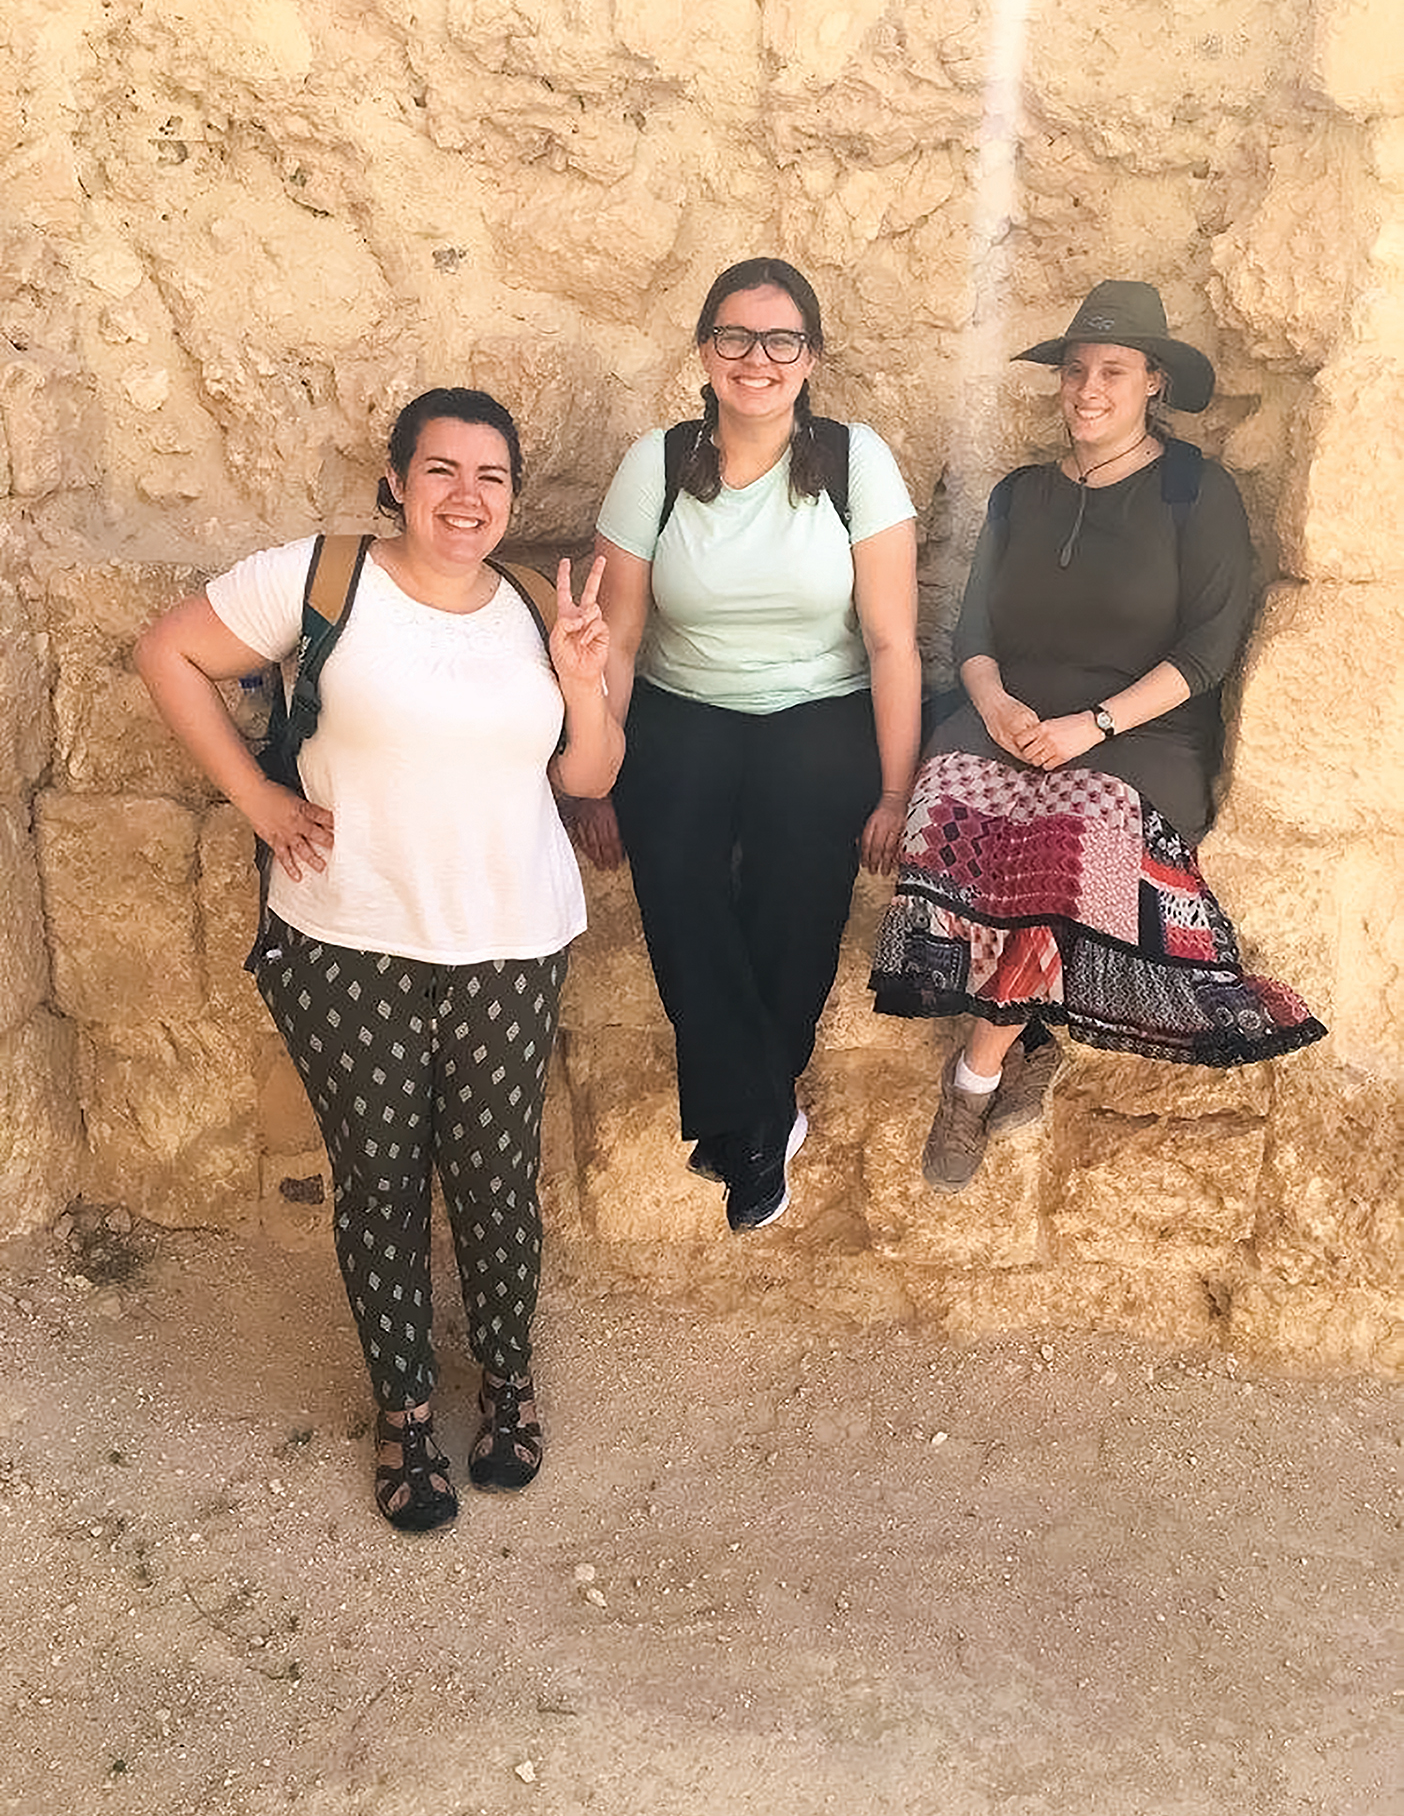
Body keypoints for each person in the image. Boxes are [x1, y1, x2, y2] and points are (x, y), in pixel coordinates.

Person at [136, 388, 621, 1532]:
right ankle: (404, 1412)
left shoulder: (528, 607)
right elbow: (168, 652)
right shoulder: (323, 578)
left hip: (508, 936)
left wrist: (585, 675)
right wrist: (255, 796)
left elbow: (588, 777)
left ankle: (508, 1382)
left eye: (492, 476)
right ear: (396, 479)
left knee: (497, 1179)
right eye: (441, 471)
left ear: (513, 496)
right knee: (382, 1181)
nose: (468, 496)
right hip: (344, 932)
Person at [869, 281, 1326, 1191]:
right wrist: (994, 706)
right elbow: (973, 634)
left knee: (1065, 838)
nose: (1088, 388)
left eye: (1113, 370)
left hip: (1140, 731)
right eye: (1075, 369)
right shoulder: (1020, 494)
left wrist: (1097, 724)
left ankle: (976, 1075)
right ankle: (1029, 1033)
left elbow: (1208, 647)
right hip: (1014, 713)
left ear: (1153, 380)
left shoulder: (1198, 491)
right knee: (946, 810)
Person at [576, 258, 921, 1232]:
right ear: (705, 351)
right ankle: (767, 1114)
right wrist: (597, 773)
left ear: (809, 358)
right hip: (684, 705)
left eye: (780, 341)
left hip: (821, 703)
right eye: (735, 337)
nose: (756, 359)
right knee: (675, 865)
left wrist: (896, 793)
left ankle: (744, 1125)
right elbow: (624, 636)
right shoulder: (661, 461)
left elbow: (893, 640)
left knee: (798, 876)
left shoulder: (857, 463)